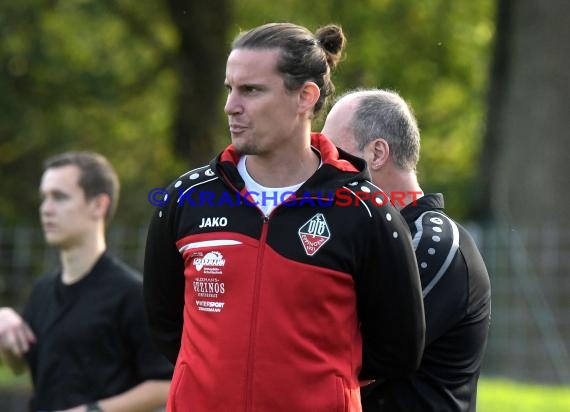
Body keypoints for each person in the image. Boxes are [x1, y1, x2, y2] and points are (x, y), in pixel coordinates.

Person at [143, 23, 425, 412]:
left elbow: (397, 348)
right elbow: (165, 325)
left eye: (252, 90)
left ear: (305, 97)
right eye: (230, 89)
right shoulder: (186, 199)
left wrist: (319, 385)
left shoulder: (366, 211)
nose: (231, 106)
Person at [322, 89, 492, 412]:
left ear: (377, 153)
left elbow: (348, 350)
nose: (325, 170)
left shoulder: (437, 243)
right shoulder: (364, 235)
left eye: (335, 156)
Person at [0, 151, 172, 412]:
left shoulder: (132, 293)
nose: (45, 209)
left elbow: (166, 384)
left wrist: (92, 411)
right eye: (44, 197)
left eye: (59, 197)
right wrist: (7, 331)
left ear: (98, 205)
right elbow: (20, 366)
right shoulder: (43, 290)